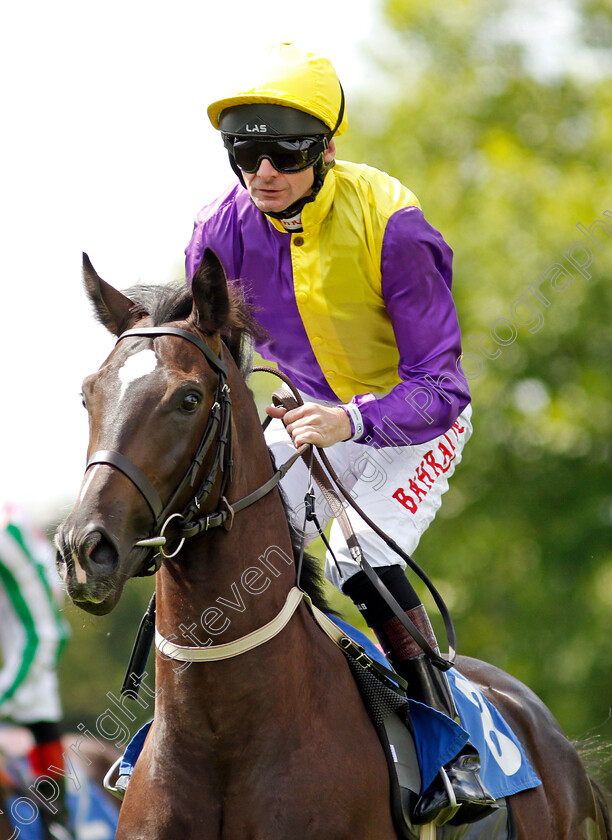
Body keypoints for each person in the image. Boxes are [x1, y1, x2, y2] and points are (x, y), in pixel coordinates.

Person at [185, 43, 495, 826]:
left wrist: (351, 418)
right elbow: (200, 347)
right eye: (243, 154)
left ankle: (448, 750)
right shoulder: (217, 233)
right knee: (215, 536)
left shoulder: (394, 225)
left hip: (410, 426)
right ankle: (163, 730)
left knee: (357, 555)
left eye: (283, 152)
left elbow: (443, 386)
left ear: (327, 148)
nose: (262, 173)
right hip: (304, 416)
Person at [0, 501, 73, 839]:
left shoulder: (7, 535)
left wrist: (5, 693)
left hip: (28, 685)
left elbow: (44, 635)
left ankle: (56, 822)